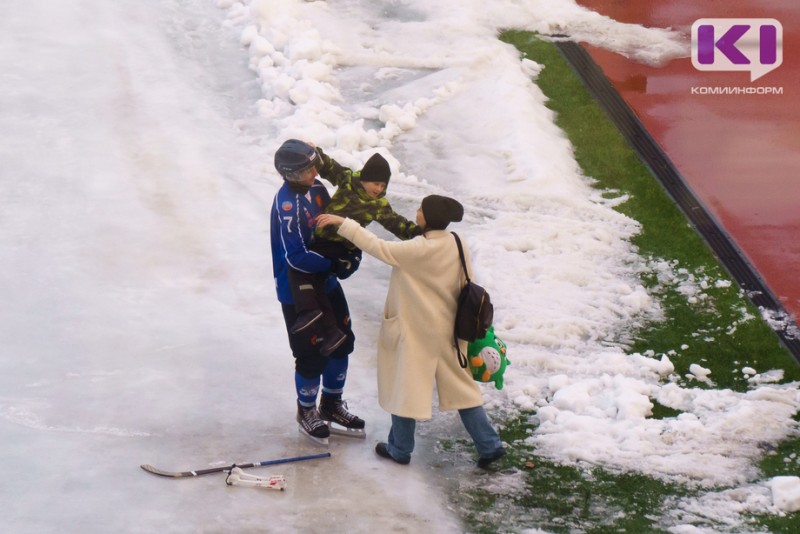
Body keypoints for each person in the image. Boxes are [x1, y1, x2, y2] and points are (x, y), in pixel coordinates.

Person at [317, 194, 506, 468]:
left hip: (416, 332)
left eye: (420, 209)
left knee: (404, 387)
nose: (416, 212)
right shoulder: (457, 241)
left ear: (427, 218)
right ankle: (490, 445)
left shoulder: (418, 249)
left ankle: (400, 448)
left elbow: (378, 247)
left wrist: (343, 223)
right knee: (463, 389)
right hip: (451, 331)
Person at [270, 139, 365, 443]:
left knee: (342, 343)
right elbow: (295, 256)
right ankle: (307, 409)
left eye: (315, 166)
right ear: (291, 174)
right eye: (308, 169)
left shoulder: (318, 188)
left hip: (327, 282)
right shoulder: (287, 206)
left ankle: (331, 403)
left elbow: (333, 229)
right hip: (299, 293)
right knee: (310, 356)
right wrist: (335, 264)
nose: (315, 172)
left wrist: (349, 252)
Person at [287, 147, 423, 353]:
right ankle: (328, 329)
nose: (378, 189)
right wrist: (313, 151)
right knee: (313, 278)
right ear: (364, 179)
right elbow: (328, 167)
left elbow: (398, 225)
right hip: (324, 241)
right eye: (375, 183)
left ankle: (311, 312)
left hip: (343, 246)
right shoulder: (348, 179)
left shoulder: (378, 205)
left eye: (383, 185)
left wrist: (425, 235)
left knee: (301, 271)